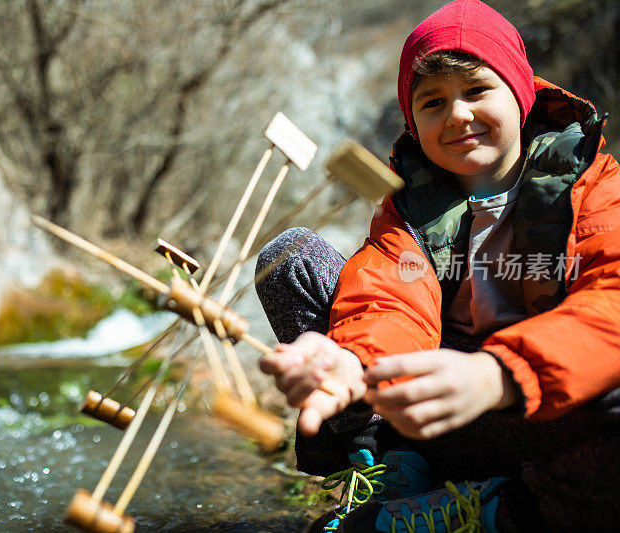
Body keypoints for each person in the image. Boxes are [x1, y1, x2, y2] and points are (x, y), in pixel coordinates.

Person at [255, 0, 620, 531]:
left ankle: (504, 510)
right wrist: (354, 364)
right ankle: (391, 466)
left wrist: (497, 374)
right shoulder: (409, 205)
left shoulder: (594, 187)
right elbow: (390, 298)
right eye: (432, 102)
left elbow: (610, 306)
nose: (457, 114)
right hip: (430, 410)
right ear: (413, 122)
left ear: (520, 95)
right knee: (291, 258)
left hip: (535, 409)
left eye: (476, 91)